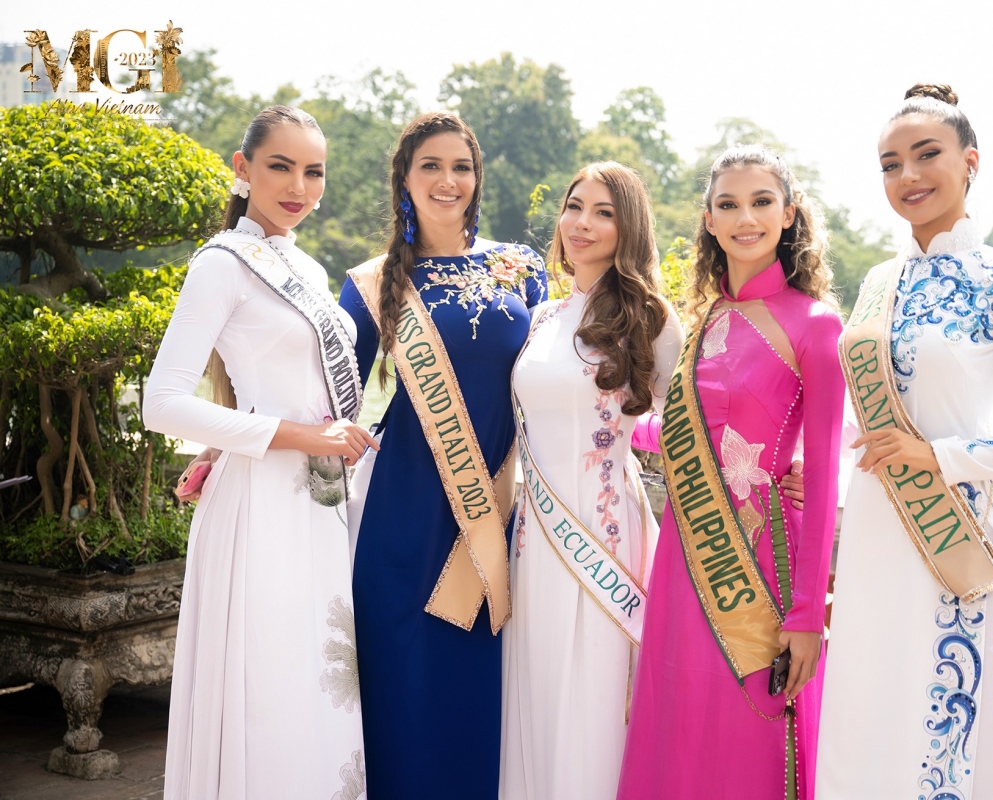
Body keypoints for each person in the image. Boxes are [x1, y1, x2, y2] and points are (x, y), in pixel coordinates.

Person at [815, 83, 993, 800]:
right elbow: (866, 417)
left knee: (945, 736)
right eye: (889, 163)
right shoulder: (879, 281)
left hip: (956, 537)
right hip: (874, 533)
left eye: (926, 155)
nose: (907, 176)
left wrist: (940, 456)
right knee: (866, 720)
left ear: (971, 161)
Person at [144, 105, 376, 799]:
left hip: (319, 504)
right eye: (280, 165)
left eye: (313, 172)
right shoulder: (221, 264)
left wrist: (227, 441)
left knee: (317, 675)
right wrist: (301, 437)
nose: (297, 185)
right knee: (270, 675)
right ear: (242, 169)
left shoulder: (302, 263)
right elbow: (161, 402)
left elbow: (267, 383)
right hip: (263, 508)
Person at [618, 145, 845, 800]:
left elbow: (825, 475)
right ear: (709, 221)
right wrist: (599, 428)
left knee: (751, 733)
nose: (746, 218)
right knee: (679, 728)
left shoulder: (817, 325)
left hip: (761, 564)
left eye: (761, 202)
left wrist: (808, 615)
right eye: (729, 205)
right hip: (683, 560)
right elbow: (690, 437)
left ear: (789, 213)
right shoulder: (704, 319)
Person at [339, 111, 547, 798]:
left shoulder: (522, 268)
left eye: (461, 166)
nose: (447, 180)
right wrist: (230, 449)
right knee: (405, 700)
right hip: (405, 524)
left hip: (502, 522)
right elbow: (328, 403)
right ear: (403, 178)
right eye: (430, 165)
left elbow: (565, 373)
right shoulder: (372, 285)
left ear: (477, 178)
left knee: (486, 700)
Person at [500, 162, 683, 800]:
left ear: (628, 227)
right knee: (539, 682)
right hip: (533, 540)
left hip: (606, 536)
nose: (582, 223)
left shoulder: (653, 321)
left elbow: (685, 430)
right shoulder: (541, 317)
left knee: (596, 693)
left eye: (603, 212)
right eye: (574, 206)